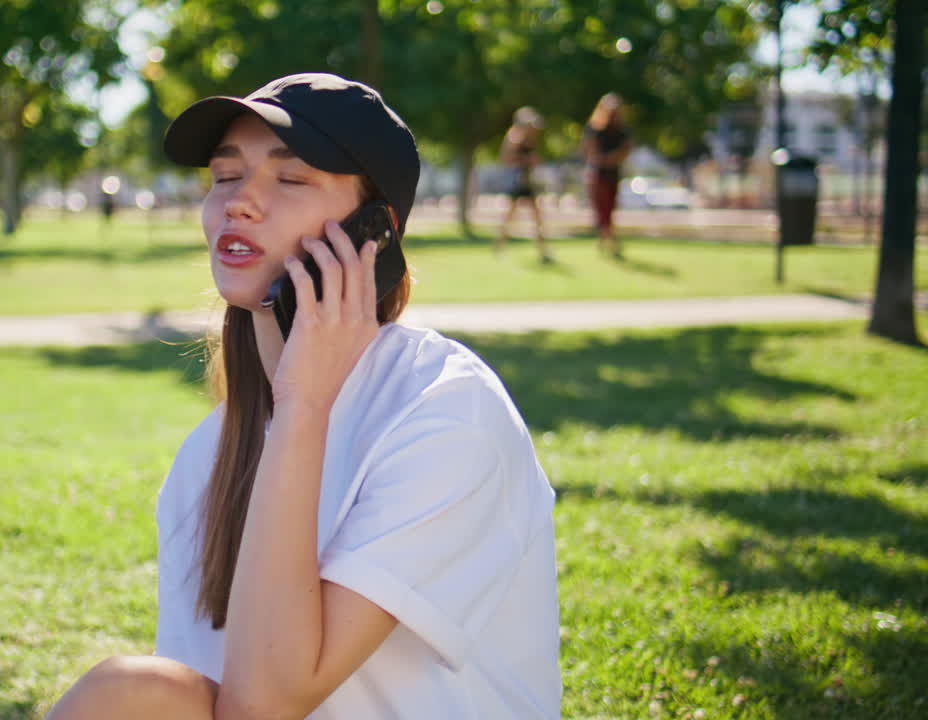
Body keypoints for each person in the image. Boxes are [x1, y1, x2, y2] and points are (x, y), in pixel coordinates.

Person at [45, 73, 560, 720]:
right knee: (126, 697)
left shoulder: (448, 411)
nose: (240, 203)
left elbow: (266, 703)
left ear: (375, 231)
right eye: (225, 177)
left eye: (290, 180)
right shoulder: (205, 458)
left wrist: (304, 406)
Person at [495, 106, 551, 263]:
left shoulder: (529, 139)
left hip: (527, 180)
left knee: (536, 215)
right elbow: (505, 159)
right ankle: (500, 244)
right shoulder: (514, 137)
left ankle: (542, 249)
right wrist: (527, 160)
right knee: (511, 215)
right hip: (517, 180)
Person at [582, 93, 632, 259]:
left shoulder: (621, 130)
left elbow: (625, 150)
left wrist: (612, 159)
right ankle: (610, 241)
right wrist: (605, 160)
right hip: (598, 174)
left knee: (610, 209)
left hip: (613, 173)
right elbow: (591, 152)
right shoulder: (595, 128)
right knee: (602, 210)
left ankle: (605, 240)